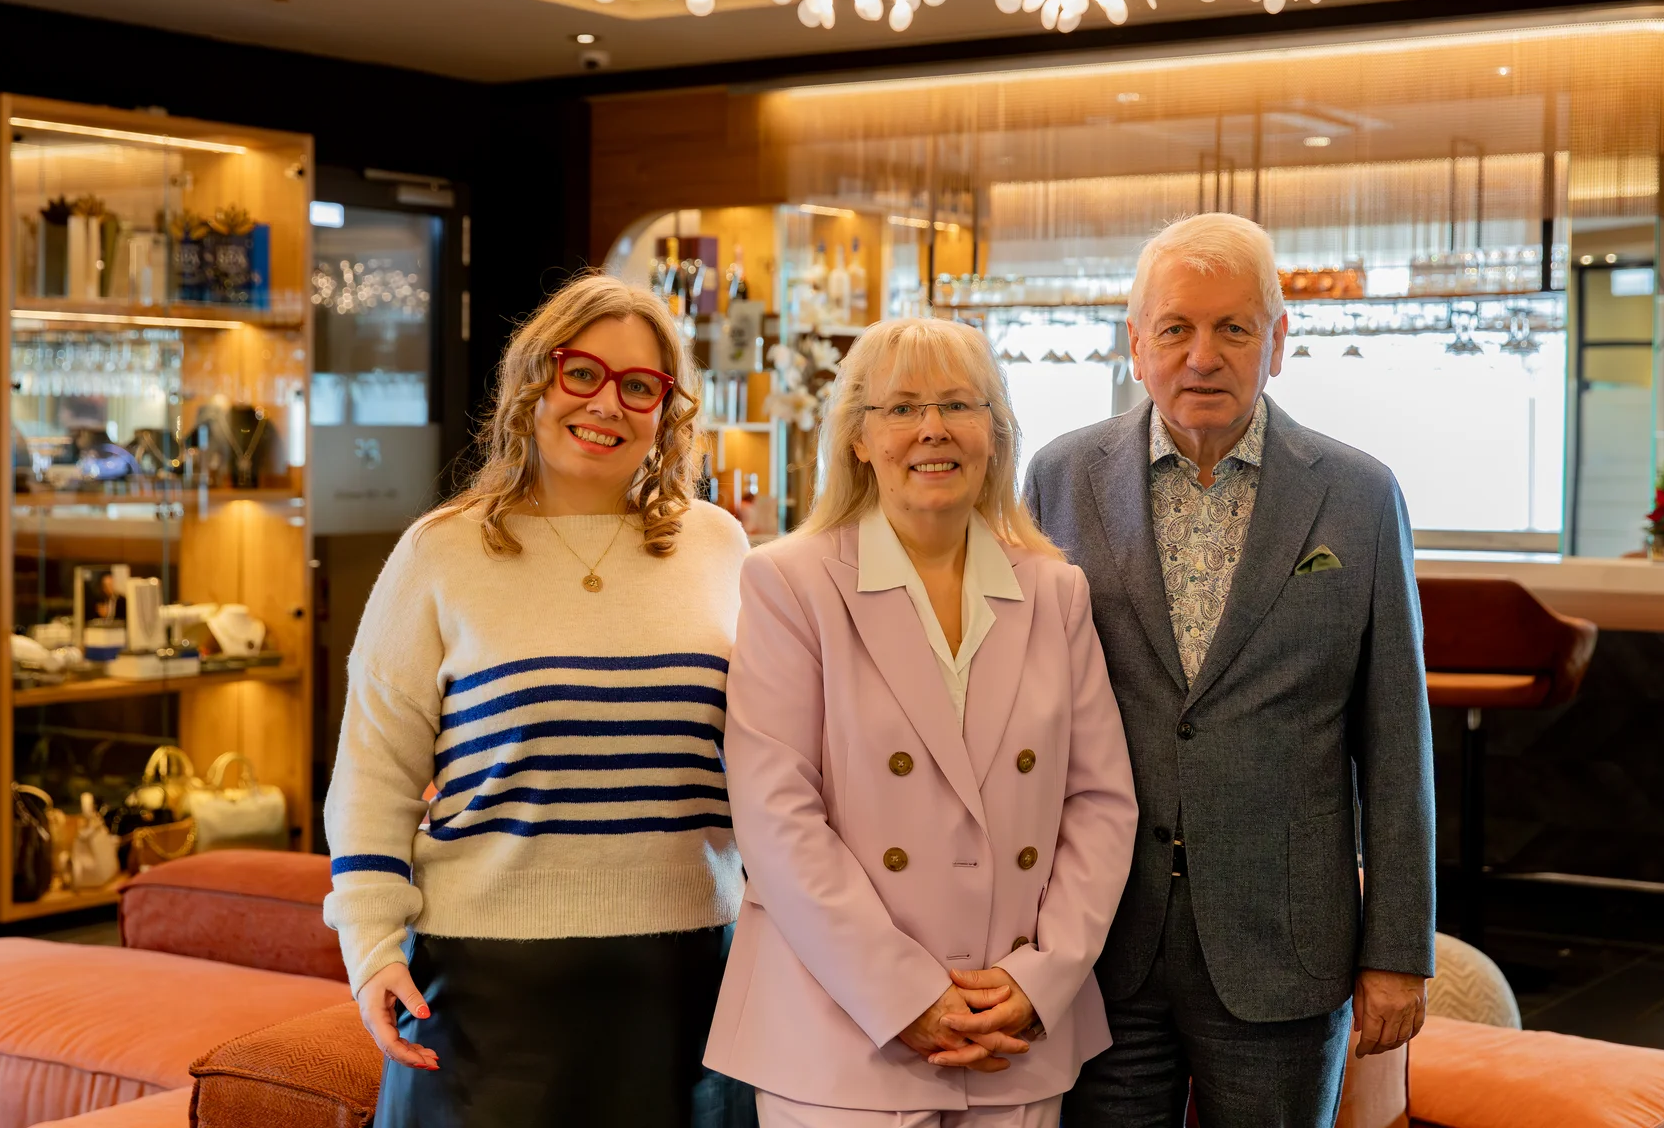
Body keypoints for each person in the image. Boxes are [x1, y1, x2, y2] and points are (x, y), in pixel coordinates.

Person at [1025, 213, 1435, 1128]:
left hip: (1285, 945)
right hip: (1097, 939)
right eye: (1175, 328)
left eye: (1234, 329)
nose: (1202, 356)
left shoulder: (1360, 496)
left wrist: (1398, 949)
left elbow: (1397, 740)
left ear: (1278, 342)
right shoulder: (1058, 478)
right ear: (1137, 344)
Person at [322, 274, 752, 1127]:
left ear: (667, 410)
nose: (607, 404)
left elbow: (771, 763)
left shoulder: (720, 547)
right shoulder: (441, 552)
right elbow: (373, 774)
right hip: (486, 990)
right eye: (581, 373)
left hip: (688, 983)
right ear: (533, 380)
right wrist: (370, 947)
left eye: (640, 386)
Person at [706, 317, 1139, 1128]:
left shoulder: (1056, 591)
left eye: (958, 405)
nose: (932, 429)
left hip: (1014, 1034)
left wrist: (1041, 978)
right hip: (839, 1035)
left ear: (995, 434)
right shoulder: (789, 584)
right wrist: (903, 993)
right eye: (902, 408)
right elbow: (775, 815)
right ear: (859, 438)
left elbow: (1101, 805)